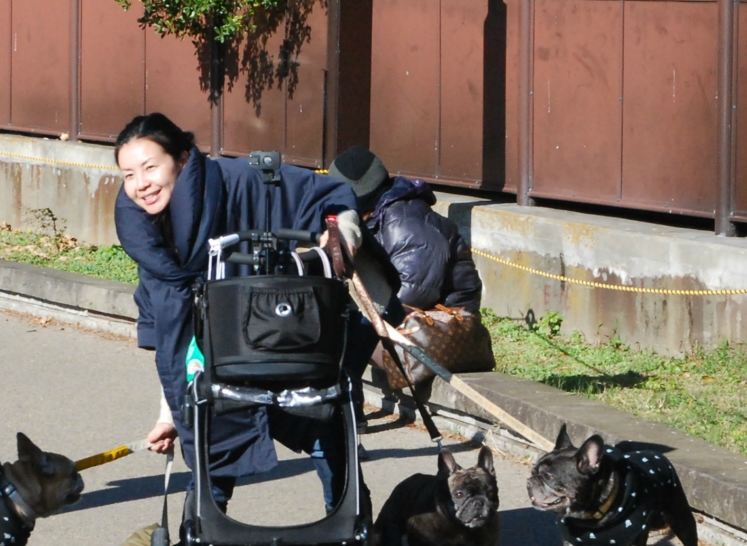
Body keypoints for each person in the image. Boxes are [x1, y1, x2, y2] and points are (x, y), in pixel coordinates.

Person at [114, 113, 370, 509]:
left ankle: (351, 533)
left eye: (150, 167)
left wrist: (337, 235)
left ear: (182, 158)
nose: (140, 184)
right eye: (128, 174)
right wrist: (169, 413)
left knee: (323, 428)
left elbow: (330, 196)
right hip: (217, 363)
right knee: (211, 442)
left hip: (283, 336)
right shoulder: (147, 237)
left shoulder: (240, 181)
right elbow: (172, 339)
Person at [326, 146, 490, 396]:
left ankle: (346, 406)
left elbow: (414, 294)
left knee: (346, 333)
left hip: (440, 326)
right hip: (413, 316)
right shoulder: (382, 215)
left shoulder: (405, 222)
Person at [326, 146, 482, 313]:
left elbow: (415, 293)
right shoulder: (378, 218)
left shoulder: (404, 222)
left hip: (443, 322)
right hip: (406, 307)